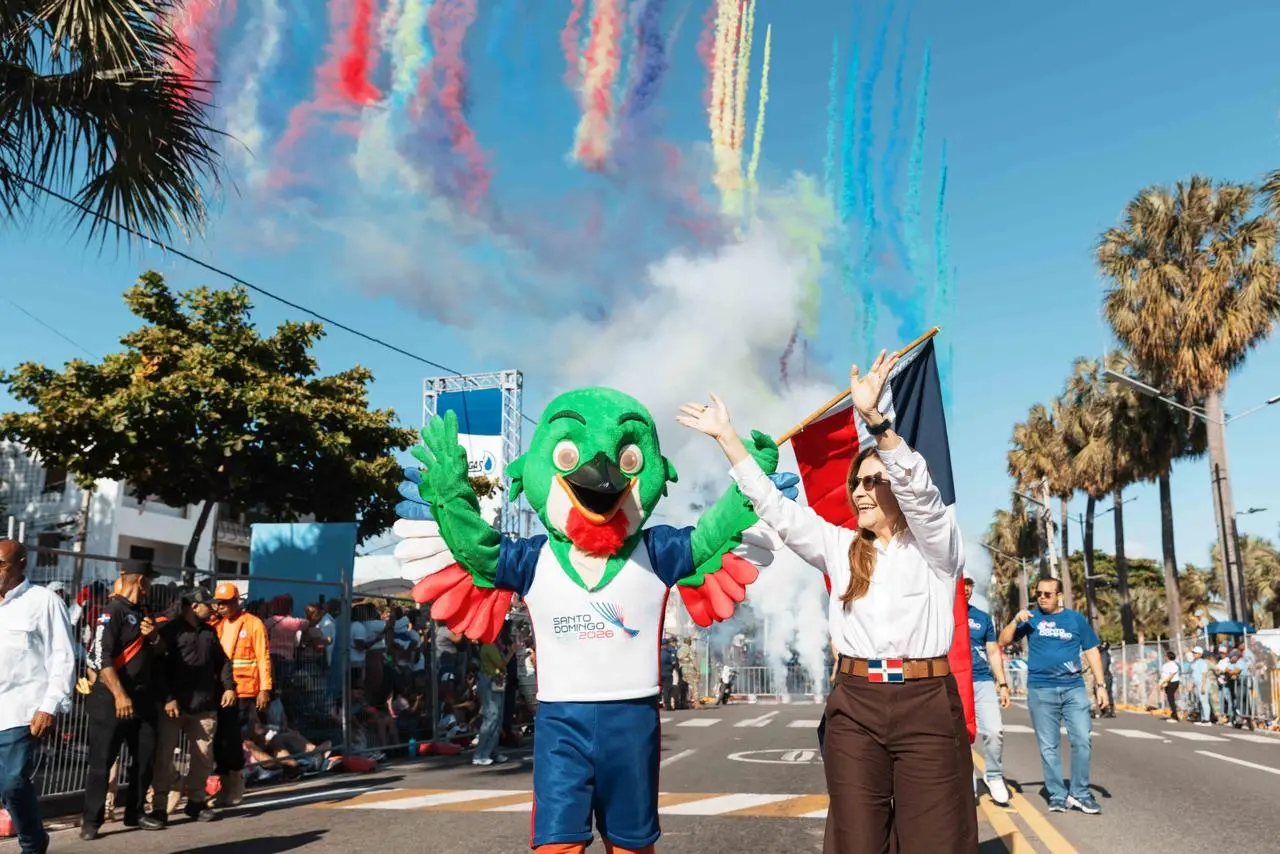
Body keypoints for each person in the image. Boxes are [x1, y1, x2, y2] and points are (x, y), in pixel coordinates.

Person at [678, 350, 978, 854]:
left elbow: (922, 494)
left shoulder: (936, 546)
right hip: (856, 704)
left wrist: (877, 424)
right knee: (856, 841)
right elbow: (776, 508)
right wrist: (728, 439)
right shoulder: (840, 548)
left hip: (927, 705)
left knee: (936, 840)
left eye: (872, 482)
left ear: (896, 490)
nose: (859, 492)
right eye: (856, 483)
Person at [997, 577, 1106, 815]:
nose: (1042, 598)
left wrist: (1100, 685)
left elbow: (1091, 650)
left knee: (1082, 740)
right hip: (1041, 689)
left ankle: (1080, 793)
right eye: (1039, 594)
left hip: (1073, 688)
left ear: (1059, 596)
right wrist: (1016, 620)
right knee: (1049, 746)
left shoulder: (1075, 619)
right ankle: (1057, 794)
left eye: (1048, 594)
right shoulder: (1031, 618)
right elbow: (1003, 641)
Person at [0, 540, 75, 854]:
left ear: (20, 565)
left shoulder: (43, 601)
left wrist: (50, 705)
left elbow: (63, 657)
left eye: (0, 565)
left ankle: (32, 842)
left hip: (21, 711)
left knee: (12, 783)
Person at [82, 562, 165, 839]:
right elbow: (99, 658)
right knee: (101, 762)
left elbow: (159, 651)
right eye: (149, 582)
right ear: (140, 581)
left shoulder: (141, 612)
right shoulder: (112, 611)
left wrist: (153, 637)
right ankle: (91, 822)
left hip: (142, 699)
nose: (150, 588)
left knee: (145, 757)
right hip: (111, 700)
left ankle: (136, 812)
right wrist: (120, 696)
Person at [151, 586, 237, 825]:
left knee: (203, 757)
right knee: (164, 757)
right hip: (174, 706)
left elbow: (223, 663)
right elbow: (158, 669)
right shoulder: (169, 632)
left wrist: (229, 686)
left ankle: (196, 802)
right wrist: (167, 698)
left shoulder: (210, 632)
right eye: (208, 605)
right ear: (194, 606)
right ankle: (159, 805)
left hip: (204, 706)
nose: (213, 609)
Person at [210, 581, 271, 807]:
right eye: (219, 603)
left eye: (226, 603)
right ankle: (224, 783)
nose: (222, 607)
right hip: (221, 690)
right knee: (219, 739)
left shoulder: (253, 624)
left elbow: (263, 657)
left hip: (244, 690)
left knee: (232, 738)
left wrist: (265, 689)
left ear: (237, 602)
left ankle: (235, 783)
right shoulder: (217, 625)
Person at [964, 576, 1011, 806]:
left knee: (994, 731)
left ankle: (993, 775)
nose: (965, 588)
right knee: (962, 736)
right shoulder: (941, 613)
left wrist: (1002, 684)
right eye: (961, 582)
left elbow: (993, 652)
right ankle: (967, 780)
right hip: (955, 682)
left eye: (969, 584)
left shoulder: (982, 618)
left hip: (982, 681)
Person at [473, 633, 512, 766]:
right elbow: (502, 664)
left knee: (497, 717)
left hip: (497, 682)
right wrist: (511, 651)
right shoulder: (489, 646)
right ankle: (480, 753)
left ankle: (492, 751)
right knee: (491, 716)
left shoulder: (494, 645)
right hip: (490, 682)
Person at [1188, 646, 1212, 725]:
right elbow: (1193, 675)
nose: (1193, 654)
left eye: (1195, 653)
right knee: (1199, 701)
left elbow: (1204, 674)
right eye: (1193, 652)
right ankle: (1202, 718)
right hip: (1196, 684)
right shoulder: (1193, 662)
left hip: (1203, 683)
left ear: (1200, 654)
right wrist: (1191, 684)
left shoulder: (1203, 662)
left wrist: (1203, 686)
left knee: (1204, 701)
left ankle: (1207, 719)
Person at [1158, 650, 1181, 722]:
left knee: (1171, 699)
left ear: (1168, 657)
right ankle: (1173, 714)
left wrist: (1164, 683)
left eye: (1166, 656)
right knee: (1169, 698)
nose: (1165, 657)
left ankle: (1175, 716)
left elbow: (1171, 675)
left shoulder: (1173, 665)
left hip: (1172, 682)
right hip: (1167, 682)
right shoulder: (1166, 665)